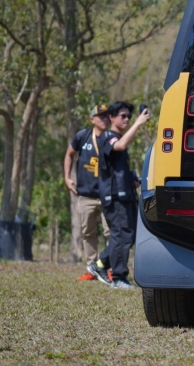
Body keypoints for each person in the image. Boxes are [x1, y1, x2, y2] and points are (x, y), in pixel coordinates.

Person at [88, 101, 150, 289]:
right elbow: (120, 146)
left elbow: (117, 168)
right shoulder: (108, 136)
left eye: (129, 117)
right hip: (114, 197)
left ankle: (100, 265)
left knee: (128, 236)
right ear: (112, 118)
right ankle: (118, 277)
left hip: (125, 194)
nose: (126, 119)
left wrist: (133, 180)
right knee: (121, 235)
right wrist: (138, 123)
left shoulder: (116, 137)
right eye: (122, 116)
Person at [63, 104, 112, 281]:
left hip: (108, 195)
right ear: (92, 119)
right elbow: (69, 154)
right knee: (88, 233)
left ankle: (110, 269)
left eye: (107, 115)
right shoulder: (82, 136)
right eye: (101, 116)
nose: (105, 118)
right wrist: (67, 178)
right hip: (86, 195)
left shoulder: (112, 138)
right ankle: (92, 269)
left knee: (111, 233)